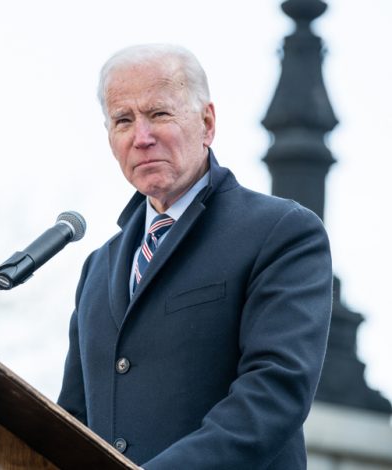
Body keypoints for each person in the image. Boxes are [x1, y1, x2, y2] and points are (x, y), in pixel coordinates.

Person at [57, 44, 332, 469]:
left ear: (207, 123)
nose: (141, 137)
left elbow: (273, 394)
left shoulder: (281, 232)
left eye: (159, 114)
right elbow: (71, 421)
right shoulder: (98, 267)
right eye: (123, 120)